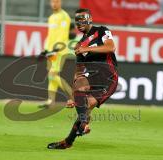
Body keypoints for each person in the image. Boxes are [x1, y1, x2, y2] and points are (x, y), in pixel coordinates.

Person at [47, 8, 118, 149]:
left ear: (89, 19)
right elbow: (79, 72)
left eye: (81, 20)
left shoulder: (101, 31)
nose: (79, 23)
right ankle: (70, 140)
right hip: (91, 78)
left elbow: (111, 47)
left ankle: (76, 133)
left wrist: (88, 49)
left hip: (108, 77)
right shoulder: (79, 46)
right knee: (83, 102)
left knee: (86, 106)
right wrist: (73, 97)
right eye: (76, 21)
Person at [38, 0, 73, 108]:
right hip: (51, 51)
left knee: (52, 74)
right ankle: (50, 101)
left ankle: (73, 96)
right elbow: (50, 35)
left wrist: (57, 48)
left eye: (57, 1)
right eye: (52, 1)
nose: (54, 4)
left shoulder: (64, 16)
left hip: (59, 51)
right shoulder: (51, 17)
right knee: (52, 76)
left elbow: (63, 34)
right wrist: (45, 49)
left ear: (60, 2)